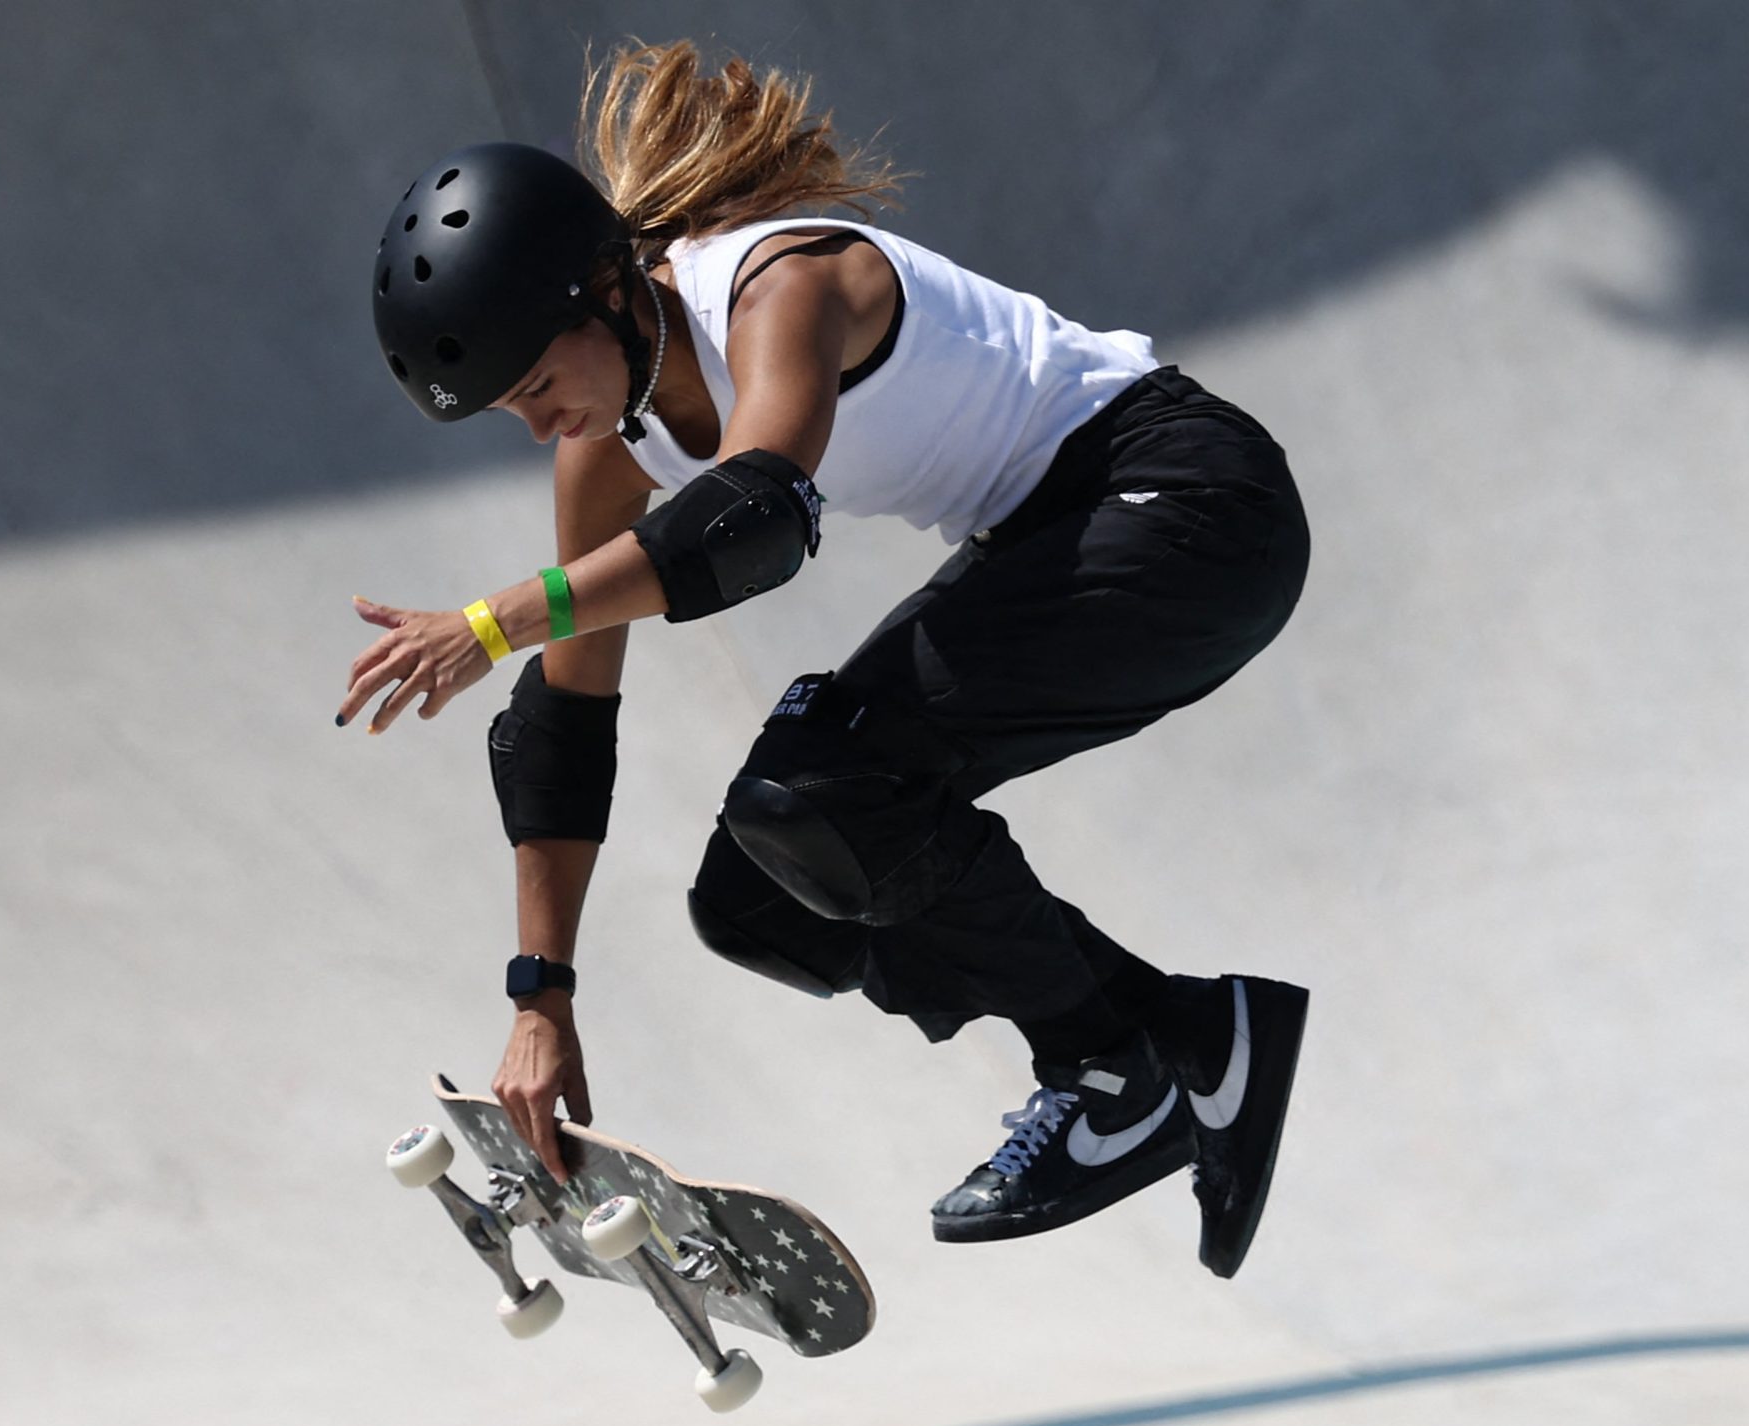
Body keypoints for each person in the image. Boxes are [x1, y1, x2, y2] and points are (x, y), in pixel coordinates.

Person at [341, 42, 1311, 1277]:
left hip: (1183, 502)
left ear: (604, 287)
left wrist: (486, 620)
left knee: (818, 792)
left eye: (539, 385)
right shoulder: (606, 443)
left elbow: (751, 521)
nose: (542, 427)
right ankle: (1186, 1034)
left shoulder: (777, 286)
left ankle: (1111, 1075)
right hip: (1065, 538)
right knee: (759, 898)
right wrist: (541, 995)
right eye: (511, 415)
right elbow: (561, 729)